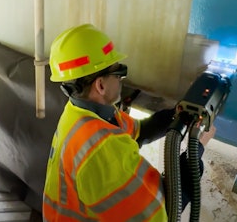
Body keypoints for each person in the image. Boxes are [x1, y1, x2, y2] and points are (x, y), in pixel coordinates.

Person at [42, 24, 215, 221]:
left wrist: (181, 112)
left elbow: (141, 132)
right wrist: (198, 145)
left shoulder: (80, 112)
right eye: (119, 73)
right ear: (100, 85)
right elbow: (165, 212)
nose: (122, 80)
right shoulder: (102, 150)